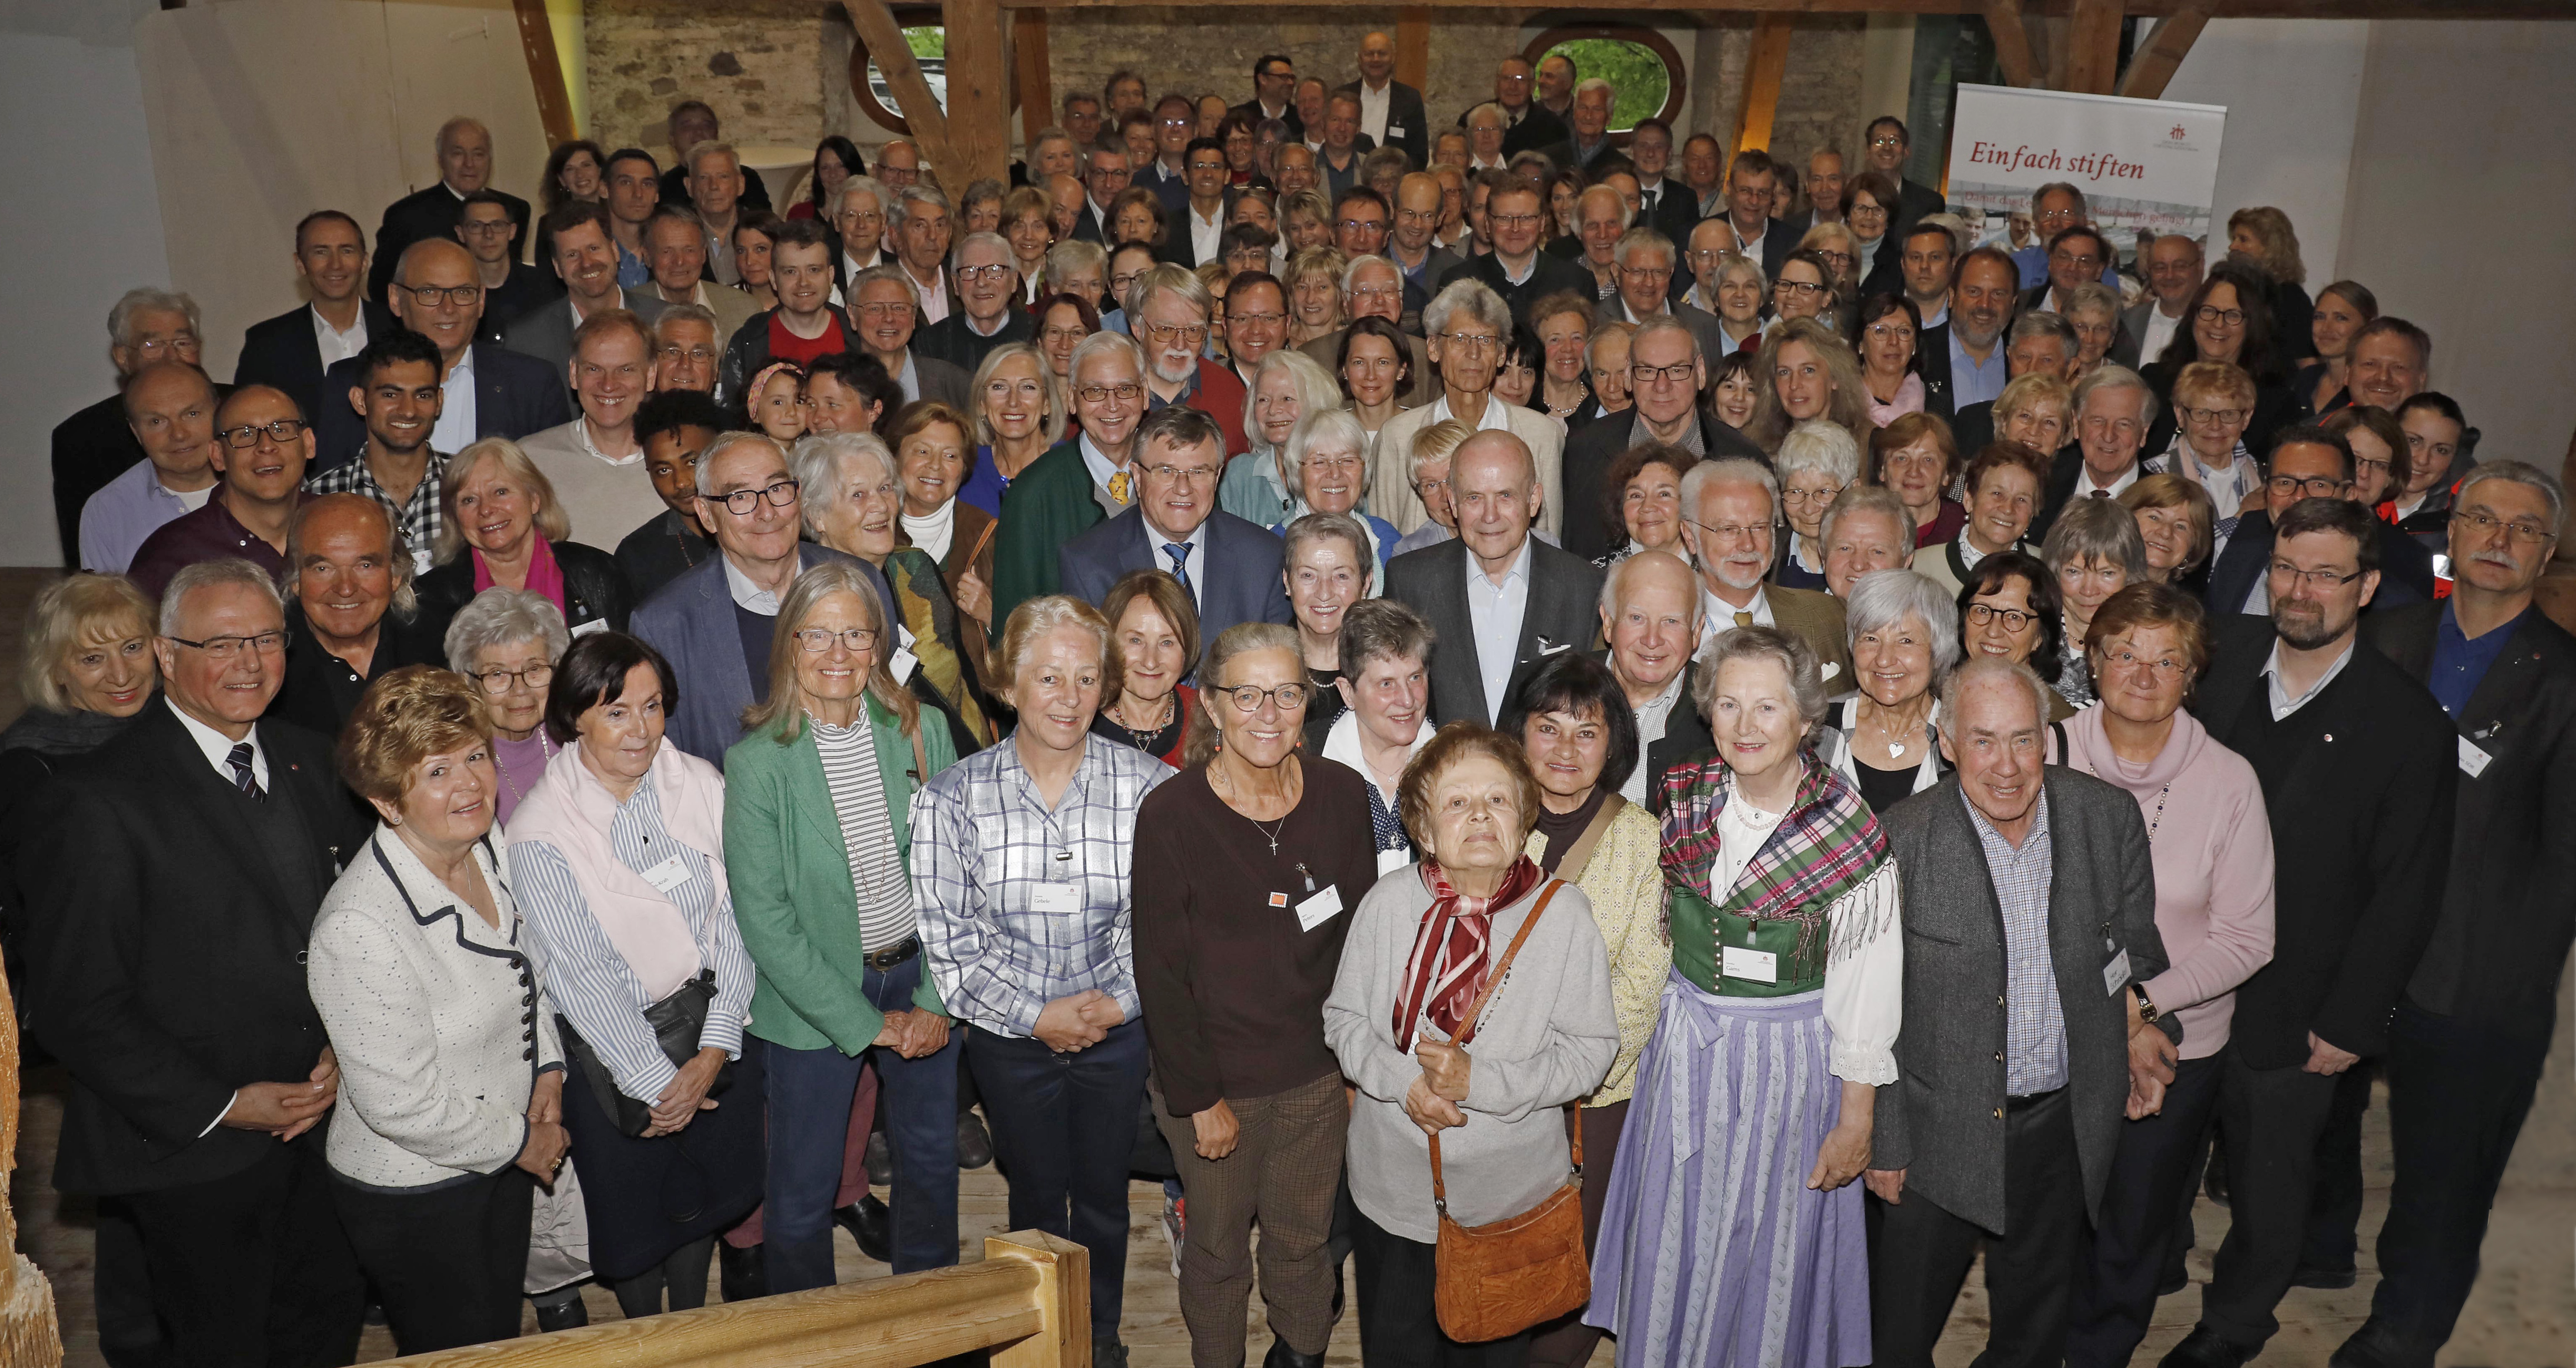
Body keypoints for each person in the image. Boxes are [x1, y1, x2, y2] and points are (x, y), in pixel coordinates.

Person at [23, 558, 372, 1362]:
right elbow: (78, 1002)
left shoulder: (314, 758)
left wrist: (347, 1047)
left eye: (265, 639)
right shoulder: (94, 797)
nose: (249, 662)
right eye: (220, 644)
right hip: (196, 1151)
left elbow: (359, 930)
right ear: (167, 655)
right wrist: (224, 1103)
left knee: (321, 1331)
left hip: (330, 1125)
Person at [2165, 497, 2456, 1368]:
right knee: (2161, 1159)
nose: (2297, 591)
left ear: (2364, 587)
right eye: (2284, 570)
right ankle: (2137, 1281)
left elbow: (2406, 891)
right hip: (2180, 981)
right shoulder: (2216, 665)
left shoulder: (2405, 725)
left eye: (2324, 575)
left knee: (2266, 1182)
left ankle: (2232, 1326)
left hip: (2297, 1000)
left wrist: (2349, 1021)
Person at [1586, 622, 1899, 1365]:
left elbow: (1867, 992)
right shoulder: (1684, 797)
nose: (1745, 726)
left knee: (1765, 1245)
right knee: (1675, 1236)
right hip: (1683, 1058)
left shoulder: (1847, 829)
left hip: (1788, 1074)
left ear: (1804, 718)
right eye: (1728, 705)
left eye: (1766, 708)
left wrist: (1856, 1122)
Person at [1865, 655, 2174, 1368]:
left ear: (2047, 737)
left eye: (2021, 739)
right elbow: (1869, 1009)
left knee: (2034, 1334)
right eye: (1981, 740)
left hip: (2060, 1128)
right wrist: (1884, 1139)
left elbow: (2134, 948)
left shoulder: (2104, 818)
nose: (2004, 765)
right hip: (1936, 1132)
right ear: (1945, 742)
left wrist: (2144, 1026)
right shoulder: (1898, 840)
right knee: (1897, 1338)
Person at [2338, 461, 2575, 1368]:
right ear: (2453, 533)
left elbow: (2562, 863)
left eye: (2520, 530)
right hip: (2360, 950)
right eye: (2480, 519)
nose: (2496, 539)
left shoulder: (2560, 681)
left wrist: (2510, 982)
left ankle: (2404, 1330)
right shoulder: (2384, 637)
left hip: (2473, 975)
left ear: (2543, 556)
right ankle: (2322, 1262)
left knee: (2440, 1175)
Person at [914, 595, 1173, 1368]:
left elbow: (1162, 922)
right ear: (1008, 685)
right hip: (1011, 1042)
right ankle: (1029, 1340)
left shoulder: (1150, 787)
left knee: (1101, 1200)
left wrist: (1113, 1006)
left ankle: (1098, 1340)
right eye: (1050, 678)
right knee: (1032, 1199)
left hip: (1114, 1035)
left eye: (1087, 678)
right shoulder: (953, 798)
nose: (1069, 698)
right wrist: (1037, 1017)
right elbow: (951, 942)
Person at [1322, 720, 1617, 1368]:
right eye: (1456, 802)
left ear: (1523, 822)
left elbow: (1590, 1051)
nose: (1478, 815)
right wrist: (1407, 1087)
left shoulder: (1564, 916)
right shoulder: (1386, 904)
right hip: (1392, 1195)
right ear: (1424, 830)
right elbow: (1343, 1021)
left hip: (1506, 1205)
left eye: (1497, 800)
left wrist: (1475, 1083)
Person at [2040, 583, 2277, 1368]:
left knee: (2133, 1226)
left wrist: (2138, 1004)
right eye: (2124, 655)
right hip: (2050, 1035)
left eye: (2165, 659)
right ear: (2092, 662)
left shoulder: (2228, 781)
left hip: (2178, 1046)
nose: (2142, 674)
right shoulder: (2042, 754)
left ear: (2191, 674)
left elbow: (2247, 938)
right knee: (2048, 1220)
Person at [1128, 620, 1373, 1368]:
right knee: (1216, 1250)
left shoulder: (1341, 794)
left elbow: (1361, 939)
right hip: (1217, 1083)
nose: (1268, 713)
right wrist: (1198, 1097)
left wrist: (1357, 1070)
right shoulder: (1171, 815)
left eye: (1287, 693)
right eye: (1248, 694)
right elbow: (1160, 972)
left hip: (1316, 1077)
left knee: (1303, 1247)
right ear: (1211, 705)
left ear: (1309, 701)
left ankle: (1299, 1356)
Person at [303, 666, 566, 1353]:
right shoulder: (359, 926)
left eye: (475, 755)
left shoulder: (485, 844)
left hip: (497, 1149)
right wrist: (525, 1140)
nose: (472, 784)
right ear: (388, 800)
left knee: (495, 1335)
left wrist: (549, 1073)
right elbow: (402, 1107)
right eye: (438, 770)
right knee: (453, 1345)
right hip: (419, 1190)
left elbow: (526, 964)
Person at [504, 629, 764, 1317]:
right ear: (575, 716)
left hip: (713, 1033)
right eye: (617, 710)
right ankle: (647, 1340)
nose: (641, 729)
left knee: (705, 1204)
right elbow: (582, 974)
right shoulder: (540, 829)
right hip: (618, 1062)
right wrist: (658, 1085)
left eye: (652, 707)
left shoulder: (701, 784)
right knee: (640, 1229)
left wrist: (713, 1049)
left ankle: (694, 1328)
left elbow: (740, 917)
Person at [721, 560, 960, 1294]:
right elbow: (765, 920)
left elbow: (959, 877)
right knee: (801, 1186)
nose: (837, 653)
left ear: (878, 645)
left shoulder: (923, 731)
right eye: (818, 634)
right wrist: (862, 1022)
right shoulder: (757, 763)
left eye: (856, 634)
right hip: (813, 997)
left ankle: (934, 1323)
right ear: (789, 645)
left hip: (920, 973)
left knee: (928, 1164)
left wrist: (933, 1002)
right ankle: (813, 1334)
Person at [629, 431, 885, 765]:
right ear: (706, 515)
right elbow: (666, 765)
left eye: (777, 490)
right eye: (740, 497)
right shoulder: (664, 626)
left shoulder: (864, 584)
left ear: (799, 496)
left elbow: (891, 709)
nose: (766, 512)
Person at [1384, 431, 1604, 727]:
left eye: (1505, 496)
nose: (1489, 516)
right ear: (1452, 502)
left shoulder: (1584, 587)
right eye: (1473, 497)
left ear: (1534, 500)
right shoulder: (1409, 581)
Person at [794, 428, 992, 752]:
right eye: (858, 495)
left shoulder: (914, 569)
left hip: (959, 759)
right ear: (817, 516)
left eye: (885, 488)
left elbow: (965, 687)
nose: (881, 505)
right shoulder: (811, 599)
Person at [313, 238, 571, 473]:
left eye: (463, 293)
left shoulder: (533, 384)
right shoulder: (349, 379)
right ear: (395, 299)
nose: (448, 309)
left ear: (481, 301)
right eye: (429, 293)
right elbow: (330, 491)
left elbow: (553, 490)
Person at [1060, 403, 1292, 650]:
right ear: (1137, 477)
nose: (1183, 488)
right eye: (1167, 471)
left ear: (1218, 477)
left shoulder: (1264, 557)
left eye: (1198, 472)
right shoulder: (1087, 564)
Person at [1373, 279, 1568, 537]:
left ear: (1501, 354)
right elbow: (1383, 542)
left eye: (1486, 341)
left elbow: (1547, 538)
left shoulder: (1541, 436)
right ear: (1433, 348)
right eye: (1460, 339)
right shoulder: (1397, 437)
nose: (1473, 353)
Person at [1559, 317, 1761, 562]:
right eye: (1647, 371)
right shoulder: (1584, 450)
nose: (1661, 386)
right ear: (1628, 377)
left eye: (1677, 370)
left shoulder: (1744, 460)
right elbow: (1574, 556)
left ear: (1700, 372)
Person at [989, 332, 1152, 628]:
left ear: (1145, 394)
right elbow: (1013, 628)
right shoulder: (1032, 494)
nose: (1112, 405)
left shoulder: (1176, 479)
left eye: (1126, 389)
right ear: (1071, 400)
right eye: (1094, 391)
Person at [413, 437, 631, 647]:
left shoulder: (598, 572)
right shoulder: (431, 599)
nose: (486, 509)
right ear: (455, 517)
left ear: (534, 500)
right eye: (469, 500)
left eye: (501, 492)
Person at [53, 289, 204, 569]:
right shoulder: (82, 438)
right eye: (152, 345)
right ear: (122, 357)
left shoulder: (239, 411)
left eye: (182, 342)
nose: (171, 356)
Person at [265, 493, 434, 736]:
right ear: (296, 580)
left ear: (395, 574)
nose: (346, 589)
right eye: (323, 569)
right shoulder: (266, 669)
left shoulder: (441, 646)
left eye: (365, 566)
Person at [1675, 457, 1854, 683]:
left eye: (1759, 527)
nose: (1748, 545)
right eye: (1729, 530)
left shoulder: (1827, 617)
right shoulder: (1665, 631)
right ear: (1690, 536)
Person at [128, 384, 312, 600]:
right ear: (218, 456)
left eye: (281, 430)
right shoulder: (171, 557)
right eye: (245, 434)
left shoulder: (343, 528)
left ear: (309, 444)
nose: (266, 446)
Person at [304, 329, 454, 577]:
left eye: (423, 395)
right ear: (360, 401)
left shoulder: (469, 485)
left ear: (439, 401)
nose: (408, 411)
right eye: (390, 395)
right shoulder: (321, 497)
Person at [516, 309, 667, 545]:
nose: (608, 385)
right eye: (594, 369)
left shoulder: (680, 464)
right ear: (574, 373)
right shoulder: (530, 461)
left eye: (625, 370)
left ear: (651, 376)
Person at [1813, 568, 1959, 808]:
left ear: (1938, 652)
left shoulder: (1963, 737)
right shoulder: (1815, 726)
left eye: (1906, 641)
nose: (1884, 660)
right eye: (1871, 639)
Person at [235, 210, 396, 425]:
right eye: (321, 252)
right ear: (300, 264)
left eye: (347, 251)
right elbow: (244, 421)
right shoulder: (266, 345)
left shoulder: (401, 329)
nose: (336, 265)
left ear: (364, 261)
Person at [1322, 598, 1436, 873]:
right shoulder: (1309, 763)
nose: (1408, 700)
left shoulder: (1457, 763)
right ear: (1348, 692)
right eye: (1387, 684)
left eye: (1415, 678)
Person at [443, 586, 574, 826]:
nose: (520, 690)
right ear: (469, 682)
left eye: (534, 669)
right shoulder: (462, 768)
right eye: (498, 674)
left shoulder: (578, 738)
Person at [80, 360, 222, 575]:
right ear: (136, 432)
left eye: (192, 414)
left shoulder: (267, 483)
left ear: (220, 413)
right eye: (157, 422)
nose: (179, 434)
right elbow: (104, 607)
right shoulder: (107, 510)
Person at [2142, 261, 2294, 461]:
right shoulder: (2153, 382)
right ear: (2193, 318)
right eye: (2208, 311)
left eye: (2233, 315)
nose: (2218, 324)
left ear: (2251, 326)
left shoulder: (2277, 402)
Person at [368, 116, 532, 302]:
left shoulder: (516, 209)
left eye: (478, 154)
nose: (469, 164)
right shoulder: (407, 216)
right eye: (458, 154)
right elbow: (382, 289)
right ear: (440, 160)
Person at [505, 203, 671, 380]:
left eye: (594, 248)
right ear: (557, 267)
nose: (587, 263)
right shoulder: (526, 340)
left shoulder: (665, 322)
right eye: (572, 255)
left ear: (615, 251)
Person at [1434, 173, 1594, 329]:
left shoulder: (1577, 283)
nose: (1515, 229)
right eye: (1505, 218)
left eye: (1526, 218)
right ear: (1488, 224)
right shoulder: (1456, 282)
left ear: (1542, 222)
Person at [2039, 495, 2147, 710]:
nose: (2089, 590)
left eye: (2106, 573)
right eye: (2074, 572)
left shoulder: (2145, 645)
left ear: (2131, 576)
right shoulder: (2028, 629)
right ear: (2054, 569)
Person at [616, 388, 723, 600]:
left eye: (692, 462)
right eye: (664, 470)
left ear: (722, 453)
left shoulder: (766, 525)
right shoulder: (638, 555)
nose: (681, 482)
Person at [1279, 511, 1375, 742]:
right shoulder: (1265, 669)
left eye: (1341, 576)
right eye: (1308, 576)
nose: (1324, 593)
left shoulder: (1391, 669)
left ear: (1366, 584)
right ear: (1287, 582)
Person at [2156, 361, 2265, 562]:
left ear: (2247, 418)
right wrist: (2241, 519)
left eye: (2228, 414)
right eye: (2202, 413)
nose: (2215, 426)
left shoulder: (2266, 476)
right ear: (2180, 415)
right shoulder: (2154, 475)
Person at [1914, 439, 2049, 596]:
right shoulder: (1919, 567)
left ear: (2033, 513)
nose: (2007, 509)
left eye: (2022, 500)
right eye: (1997, 494)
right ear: (1969, 499)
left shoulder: (2048, 570)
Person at [1220, 350, 1339, 527]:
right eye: (1263, 400)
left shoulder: (1340, 470)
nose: (1274, 410)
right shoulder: (1240, 474)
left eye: (1287, 398)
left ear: (1316, 403)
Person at [1094, 568, 1201, 766]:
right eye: (1136, 640)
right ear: (1108, 643)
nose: (1150, 661)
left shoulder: (1209, 719)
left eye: (1167, 643)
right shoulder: (1081, 717)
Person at [1956, 549, 2076, 722]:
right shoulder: (1932, 703)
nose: (1993, 631)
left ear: (2040, 637)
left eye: (2015, 617)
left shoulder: (2059, 724)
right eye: (1982, 611)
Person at [1277, 408, 1401, 571]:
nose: (1335, 474)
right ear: (1296, 472)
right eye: (1319, 462)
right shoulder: (1274, 547)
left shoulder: (1388, 540)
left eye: (1348, 461)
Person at [846, 264, 974, 411]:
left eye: (899, 308)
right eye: (875, 308)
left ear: (914, 317)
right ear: (852, 316)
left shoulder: (955, 384)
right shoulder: (836, 385)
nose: (888, 318)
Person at [966, 341, 1069, 514]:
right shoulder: (965, 468)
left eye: (1028, 387)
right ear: (981, 404)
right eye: (999, 387)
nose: (1013, 401)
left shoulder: (1072, 467)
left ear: (1047, 403)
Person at [642, 206, 758, 341]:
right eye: (667, 251)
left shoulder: (746, 311)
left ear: (704, 254)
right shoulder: (626, 310)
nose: (679, 261)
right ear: (648, 257)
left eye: (689, 250)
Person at [1774, 420, 1862, 591]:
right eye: (1795, 492)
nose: (1808, 509)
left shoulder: (1870, 562)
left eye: (1823, 492)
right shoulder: (1766, 553)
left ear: (1853, 491)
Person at [1873, 413, 1965, 550]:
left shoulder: (1965, 534)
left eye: (1928, 460)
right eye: (1902, 459)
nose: (1914, 472)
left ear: (1946, 475)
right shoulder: (1864, 527)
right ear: (1882, 471)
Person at [2116, 232, 2205, 371]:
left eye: (2180, 266)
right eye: (2160, 268)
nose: (2170, 276)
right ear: (2148, 271)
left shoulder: (2215, 326)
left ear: (2200, 266)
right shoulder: (2127, 323)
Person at [1819, 484, 1916, 601]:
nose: (1858, 565)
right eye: (1845, 549)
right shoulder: (1795, 616)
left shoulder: (1925, 618)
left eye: (1877, 552)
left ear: (1906, 562)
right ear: (1824, 556)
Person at [2123, 474, 2218, 589]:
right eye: (2154, 518)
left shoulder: (2186, 607)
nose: (2166, 533)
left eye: (2181, 527)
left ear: (2193, 545)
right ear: (2124, 519)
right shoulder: (2097, 593)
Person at [790, 135, 867, 221]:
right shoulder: (799, 215)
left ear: (853, 168)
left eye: (840, 166)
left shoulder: (869, 216)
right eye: (825, 168)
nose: (833, 174)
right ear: (818, 174)